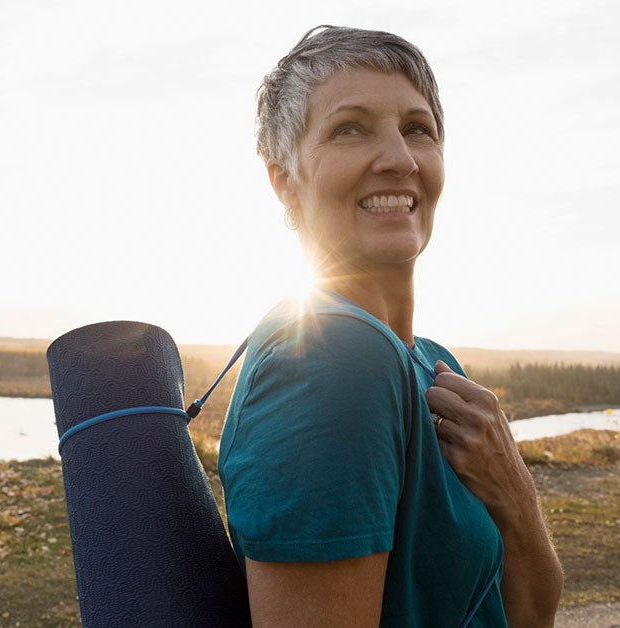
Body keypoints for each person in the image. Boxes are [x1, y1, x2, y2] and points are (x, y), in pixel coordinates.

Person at [217, 26, 563, 627]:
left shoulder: (430, 362)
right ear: (285, 183)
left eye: (417, 129)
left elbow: (526, 616)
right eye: (349, 128)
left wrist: (517, 498)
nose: (399, 159)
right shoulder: (328, 359)